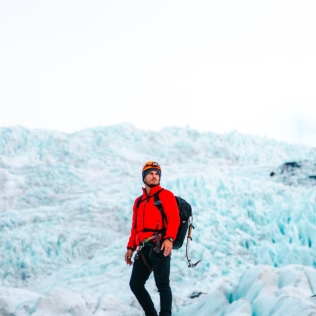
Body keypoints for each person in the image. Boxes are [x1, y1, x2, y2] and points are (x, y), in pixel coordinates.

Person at [125, 161, 180, 316]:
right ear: (144, 177)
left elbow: (173, 219)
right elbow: (135, 227)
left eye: (157, 174)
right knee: (135, 284)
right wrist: (130, 248)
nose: (154, 176)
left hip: (160, 244)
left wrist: (169, 239)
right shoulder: (139, 201)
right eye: (150, 173)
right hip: (143, 247)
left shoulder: (165, 195)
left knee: (162, 284)